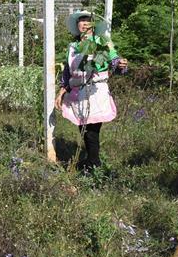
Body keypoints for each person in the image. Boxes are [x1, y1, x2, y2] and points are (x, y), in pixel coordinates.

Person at [54, 10, 128, 172]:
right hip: (77, 93)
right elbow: (68, 72)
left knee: (92, 130)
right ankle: (91, 160)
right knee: (83, 129)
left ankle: (94, 164)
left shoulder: (101, 42)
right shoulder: (73, 47)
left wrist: (119, 64)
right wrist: (61, 91)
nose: (84, 23)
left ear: (93, 25)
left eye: (88, 20)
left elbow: (113, 58)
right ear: (77, 25)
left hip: (96, 90)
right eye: (81, 20)